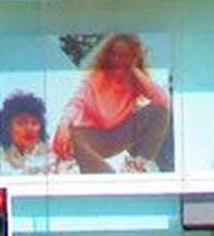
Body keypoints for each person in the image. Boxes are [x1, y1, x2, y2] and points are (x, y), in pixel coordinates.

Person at [52, 32, 172, 174]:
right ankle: (106, 174)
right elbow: (76, 103)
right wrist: (63, 124)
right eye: (113, 55)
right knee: (72, 134)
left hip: (116, 135)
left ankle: (139, 165)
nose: (117, 60)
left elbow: (163, 101)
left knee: (160, 112)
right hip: (90, 138)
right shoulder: (96, 79)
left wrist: (134, 71)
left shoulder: (134, 80)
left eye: (123, 56)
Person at [0, 90, 56, 174]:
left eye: (34, 123)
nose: (29, 128)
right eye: (21, 123)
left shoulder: (53, 158)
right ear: (8, 128)